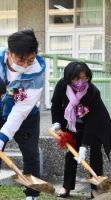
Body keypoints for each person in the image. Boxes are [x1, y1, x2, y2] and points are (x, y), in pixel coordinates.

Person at [50, 61, 111, 198]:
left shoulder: (92, 92)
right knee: (71, 154)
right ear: (69, 78)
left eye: (84, 78)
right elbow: (55, 105)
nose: (81, 81)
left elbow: (92, 121)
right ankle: (66, 187)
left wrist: (85, 146)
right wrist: (56, 122)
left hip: (95, 124)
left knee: (95, 154)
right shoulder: (62, 86)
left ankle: (95, 188)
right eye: (77, 78)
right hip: (72, 124)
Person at [0, 29, 45, 200]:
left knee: (31, 154)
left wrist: (2, 137)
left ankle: (31, 194)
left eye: (30, 59)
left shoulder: (36, 74)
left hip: (27, 115)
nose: (26, 65)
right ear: (9, 53)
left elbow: (20, 111)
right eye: (21, 59)